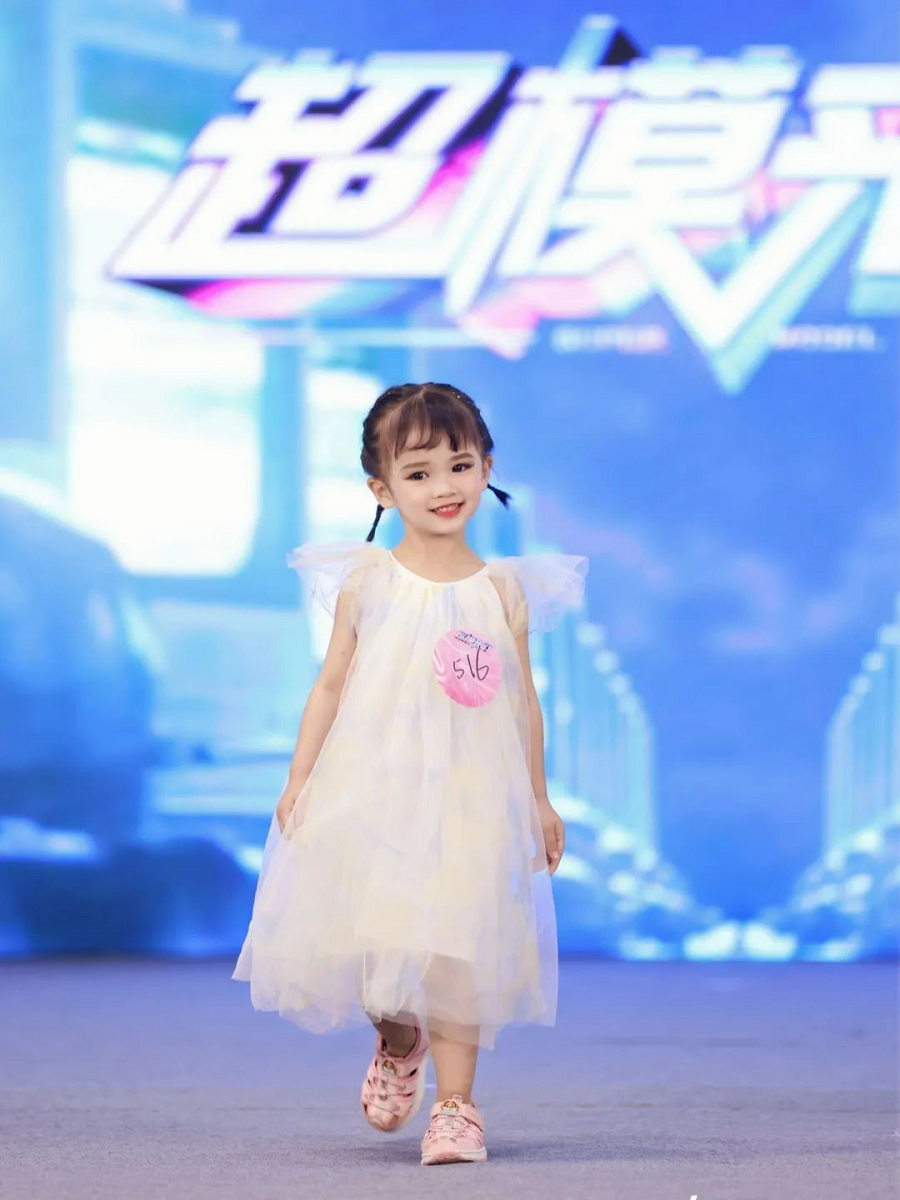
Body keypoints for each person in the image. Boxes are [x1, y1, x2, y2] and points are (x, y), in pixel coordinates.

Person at [232, 381, 588, 1166]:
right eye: (418, 472)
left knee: (460, 944)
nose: (443, 487)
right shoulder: (369, 582)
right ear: (382, 489)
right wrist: (300, 778)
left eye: (459, 465)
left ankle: (458, 1109)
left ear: (487, 468)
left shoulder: (502, 590)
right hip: (374, 789)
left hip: (470, 793)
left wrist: (537, 797)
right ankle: (399, 1041)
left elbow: (522, 697)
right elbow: (332, 684)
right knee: (374, 948)